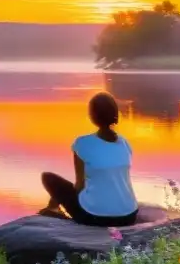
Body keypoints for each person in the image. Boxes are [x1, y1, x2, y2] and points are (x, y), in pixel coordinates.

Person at [39, 91, 139, 227]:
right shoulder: (125, 143)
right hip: (129, 216)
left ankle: (53, 209)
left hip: (95, 218)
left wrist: (63, 199)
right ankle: (54, 207)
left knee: (48, 178)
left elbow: (80, 185)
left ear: (92, 116)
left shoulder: (82, 143)